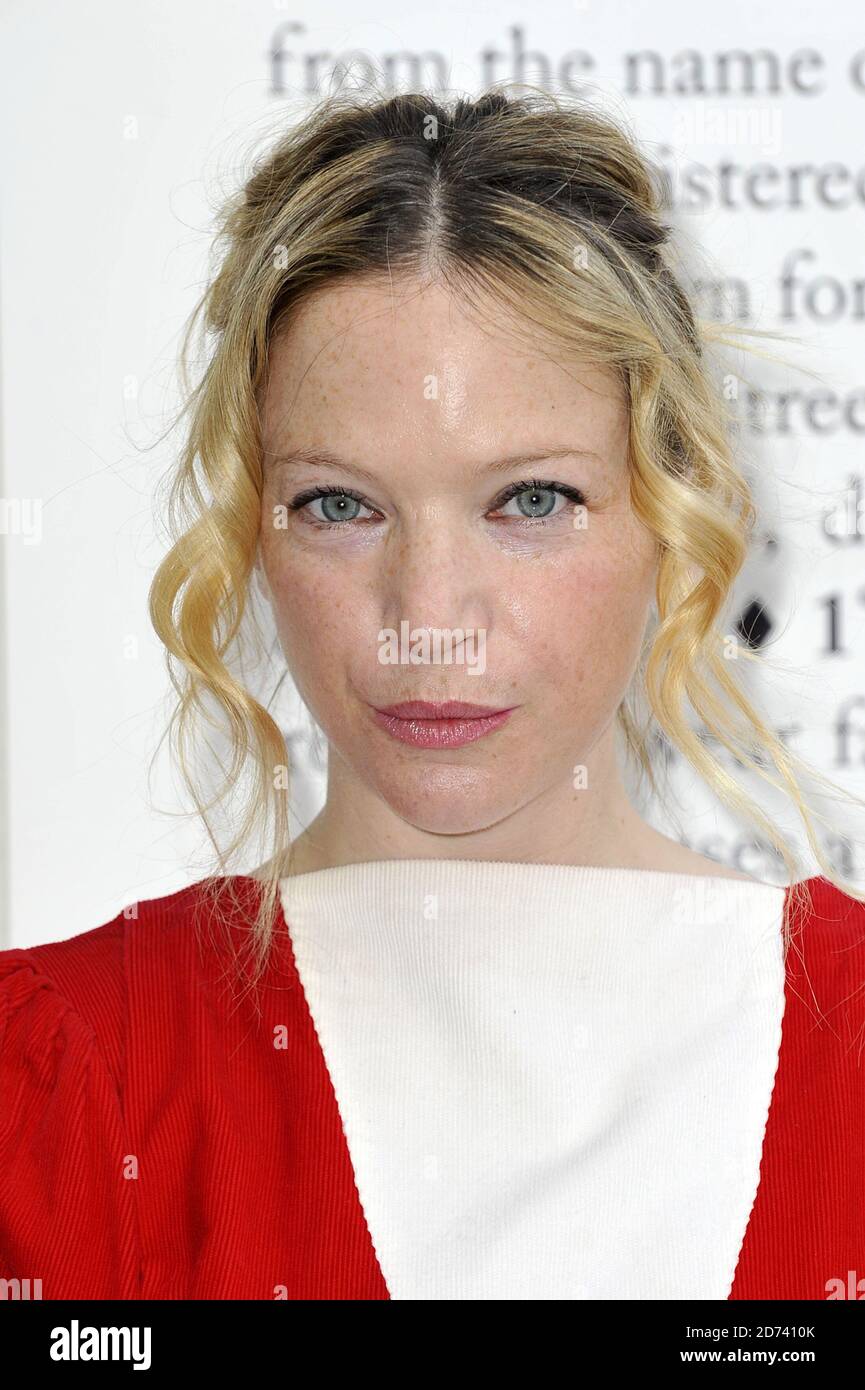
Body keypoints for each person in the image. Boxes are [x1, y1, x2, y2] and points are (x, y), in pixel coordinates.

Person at [1, 86, 863, 1302]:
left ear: (671, 509)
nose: (430, 619)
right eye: (342, 506)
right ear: (254, 529)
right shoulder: (68, 1073)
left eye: (530, 500)